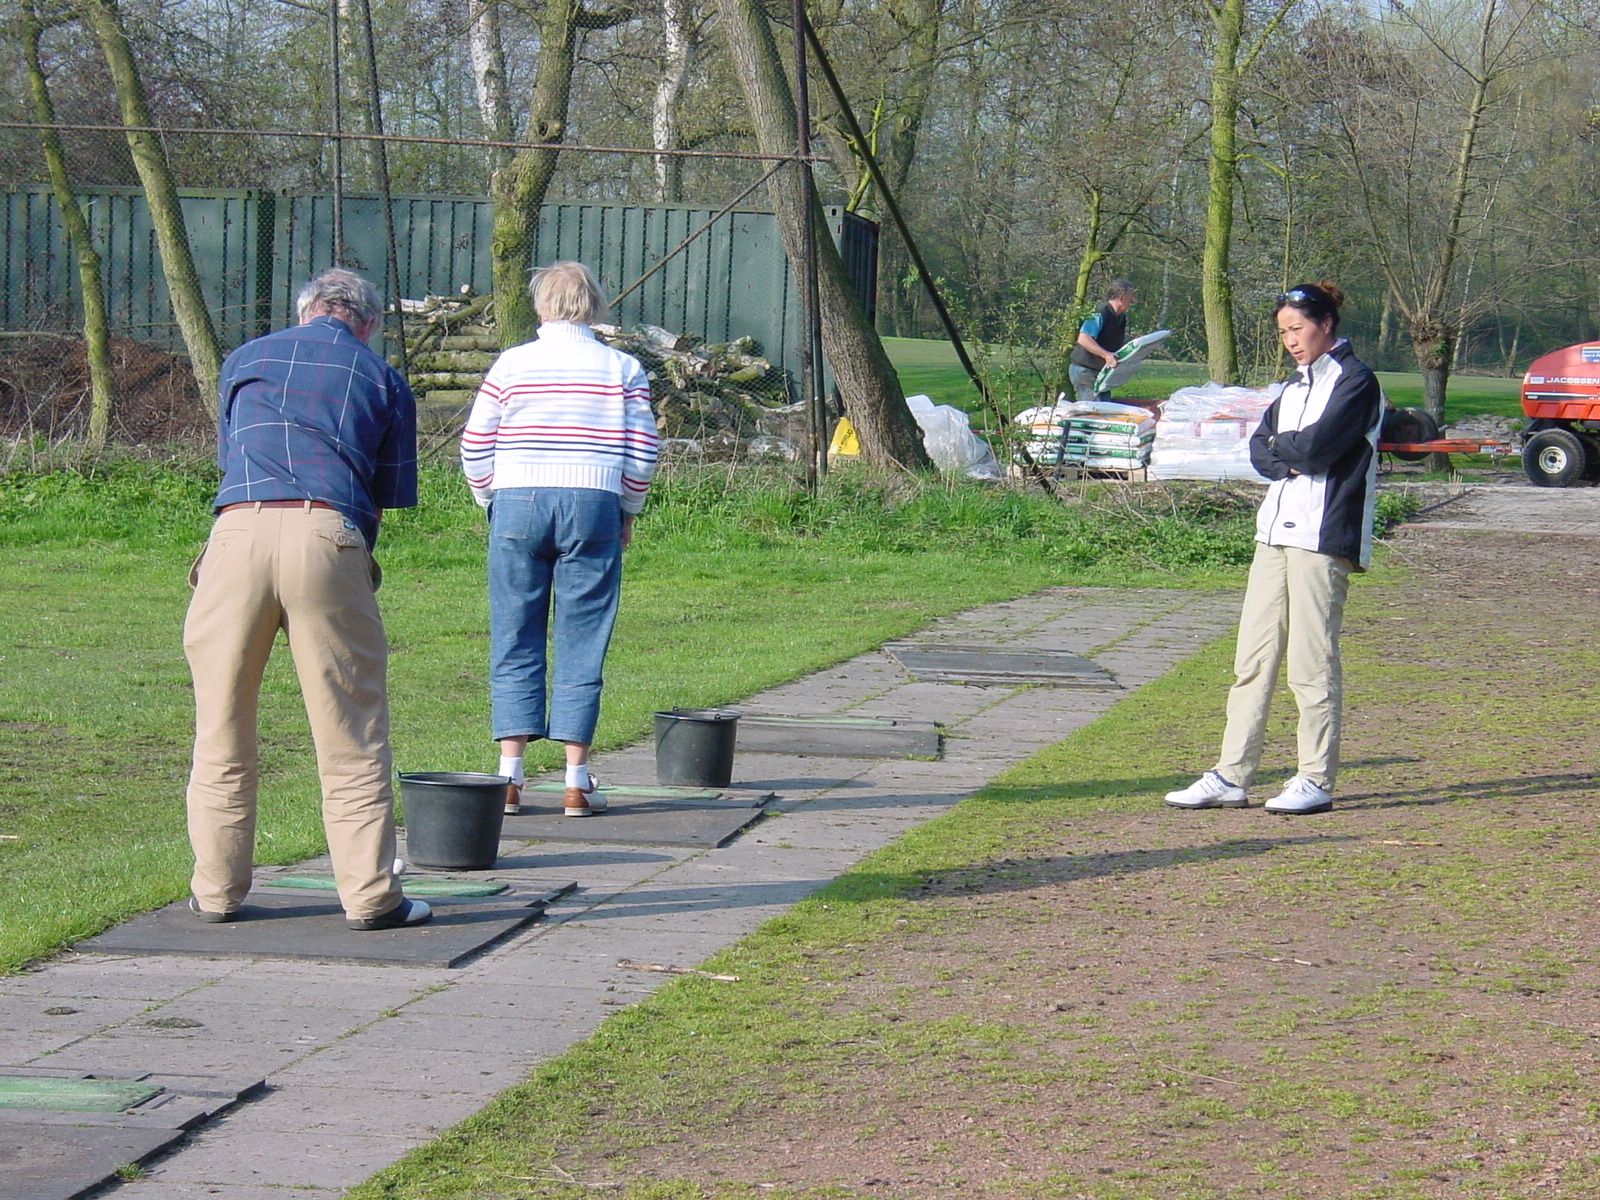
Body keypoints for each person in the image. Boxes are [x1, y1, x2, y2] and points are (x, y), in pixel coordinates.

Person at [184, 267, 430, 930]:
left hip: (235, 534)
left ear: (304, 312)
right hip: (328, 532)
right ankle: (371, 897)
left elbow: (232, 456)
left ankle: (215, 892)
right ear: (368, 324)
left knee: (220, 724)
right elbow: (385, 494)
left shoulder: (243, 360)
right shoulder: (382, 378)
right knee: (352, 731)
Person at [1165, 281, 1382, 816]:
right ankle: (1231, 775)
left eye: (1297, 329)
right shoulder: (1291, 388)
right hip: (1274, 534)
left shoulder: (1356, 382)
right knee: (1252, 660)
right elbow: (1259, 452)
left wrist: (1287, 450)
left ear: (1326, 324)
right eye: (1283, 331)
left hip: (1322, 537)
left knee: (1311, 662)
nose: (1290, 340)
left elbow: (1315, 450)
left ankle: (1314, 777)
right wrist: (1287, 451)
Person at [460, 261, 659, 818]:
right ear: (593, 305)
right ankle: (575, 780)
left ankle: (509, 776)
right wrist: (628, 508)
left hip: (517, 500)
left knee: (514, 631)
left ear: (541, 305)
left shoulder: (511, 363)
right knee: (583, 635)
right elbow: (643, 451)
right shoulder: (622, 367)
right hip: (593, 502)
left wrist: (489, 499)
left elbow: (475, 444)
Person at [1069, 279, 1136, 403]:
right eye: (1130, 296)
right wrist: (1106, 355)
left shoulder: (1121, 317)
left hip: (1101, 373)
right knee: (1094, 409)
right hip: (1085, 371)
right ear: (1121, 297)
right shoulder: (1100, 313)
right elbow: (1084, 338)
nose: (1133, 301)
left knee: (1104, 407)